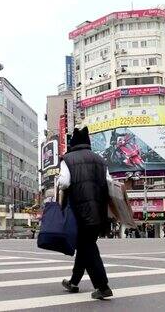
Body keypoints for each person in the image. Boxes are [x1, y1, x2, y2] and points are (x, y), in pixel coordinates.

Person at [59, 126, 113, 300]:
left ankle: (102, 286)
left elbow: (64, 183)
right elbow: (109, 182)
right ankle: (74, 282)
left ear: (73, 143)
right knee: (85, 246)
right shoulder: (100, 160)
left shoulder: (67, 159)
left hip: (79, 211)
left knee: (87, 247)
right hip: (99, 211)